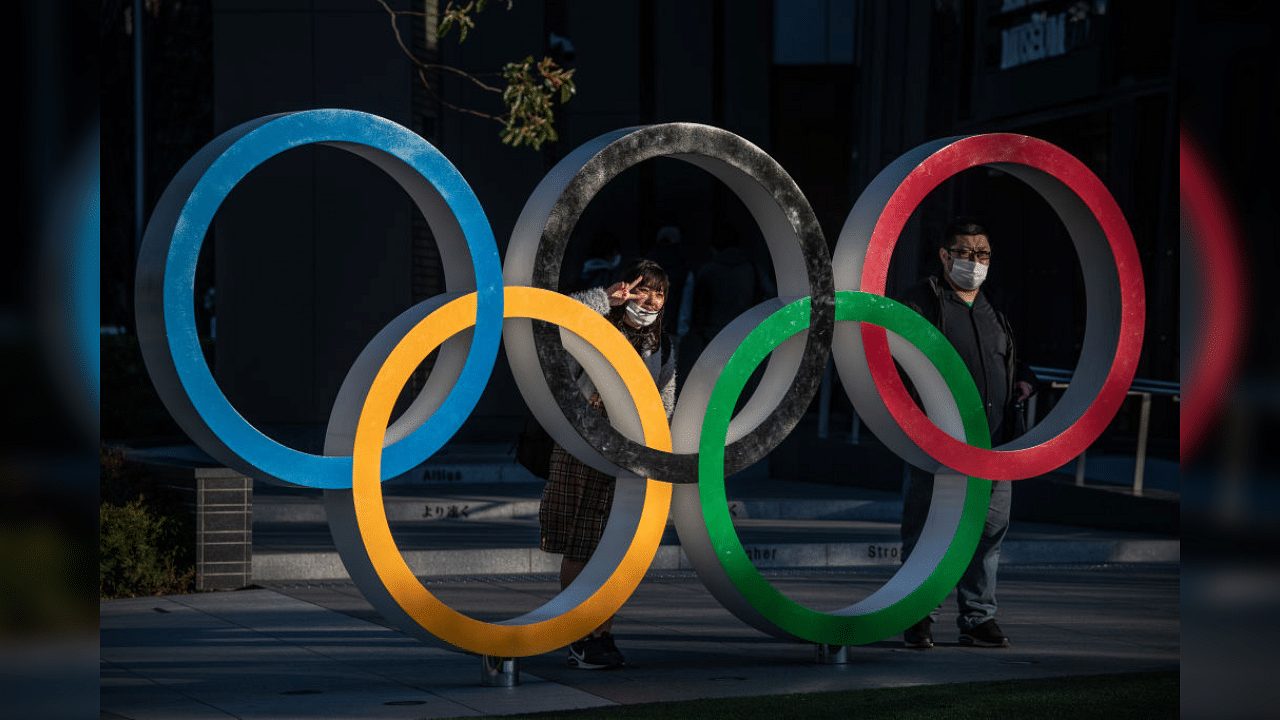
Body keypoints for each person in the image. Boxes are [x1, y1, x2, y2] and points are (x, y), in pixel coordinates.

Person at [897, 218, 1037, 650]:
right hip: (940, 441)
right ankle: (918, 614)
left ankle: (978, 618)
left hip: (995, 443)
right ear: (944, 256)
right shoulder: (922, 302)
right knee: (928, 530)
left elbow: (1008, 359)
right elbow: (895, 358)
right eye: (963, 252)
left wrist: (1023, 379)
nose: (973, 262)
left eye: (982, 254)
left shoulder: (996, 308)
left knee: (989, 532)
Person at [539, 258, 677, 669]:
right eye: (642, 289)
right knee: (581, 542)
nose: (649, 300)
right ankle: (577, 633)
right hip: (583, 444)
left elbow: (665, 402)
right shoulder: (596, 326)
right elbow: (551, 318)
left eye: (659, 293)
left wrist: (656, 450)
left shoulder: (662, 345)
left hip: (630, 453)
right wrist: (604, 298)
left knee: (615, 547)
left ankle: (602, 634)